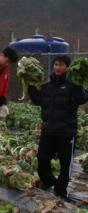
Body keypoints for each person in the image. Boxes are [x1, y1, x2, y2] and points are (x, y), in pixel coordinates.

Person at [27, 54, 88, 201]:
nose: (57, 68)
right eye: (55, 65)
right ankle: (48, 181)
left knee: (65, 163)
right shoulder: (48, 86)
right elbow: (38, 101)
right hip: (48, 130)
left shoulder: (73, 85)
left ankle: (61, 190)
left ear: (67, 67)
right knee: (42, 158)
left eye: (61, 65)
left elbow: (81, 99)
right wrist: (29, 85)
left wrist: (78, 83)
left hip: (66, 132)